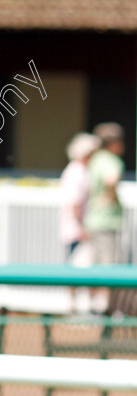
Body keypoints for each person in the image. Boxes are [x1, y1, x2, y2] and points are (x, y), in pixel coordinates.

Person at [84, 122, 126, 313]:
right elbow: (111, 180)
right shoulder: (112, 161)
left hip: (92, 219)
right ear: (114, 143)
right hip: (106, 221)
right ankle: (104, 312)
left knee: (94, 266)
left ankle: (92, 307)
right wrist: (113, 196)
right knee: (108, 269)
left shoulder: (96, 159)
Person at [58, 132, 100, 313]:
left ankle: (80, 306)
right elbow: (73, 203)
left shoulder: (80, 171)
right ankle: (75, 307)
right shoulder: (77, 172)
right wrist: (82, 228)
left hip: (76, 229)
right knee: (77, 270)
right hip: (76, 231)